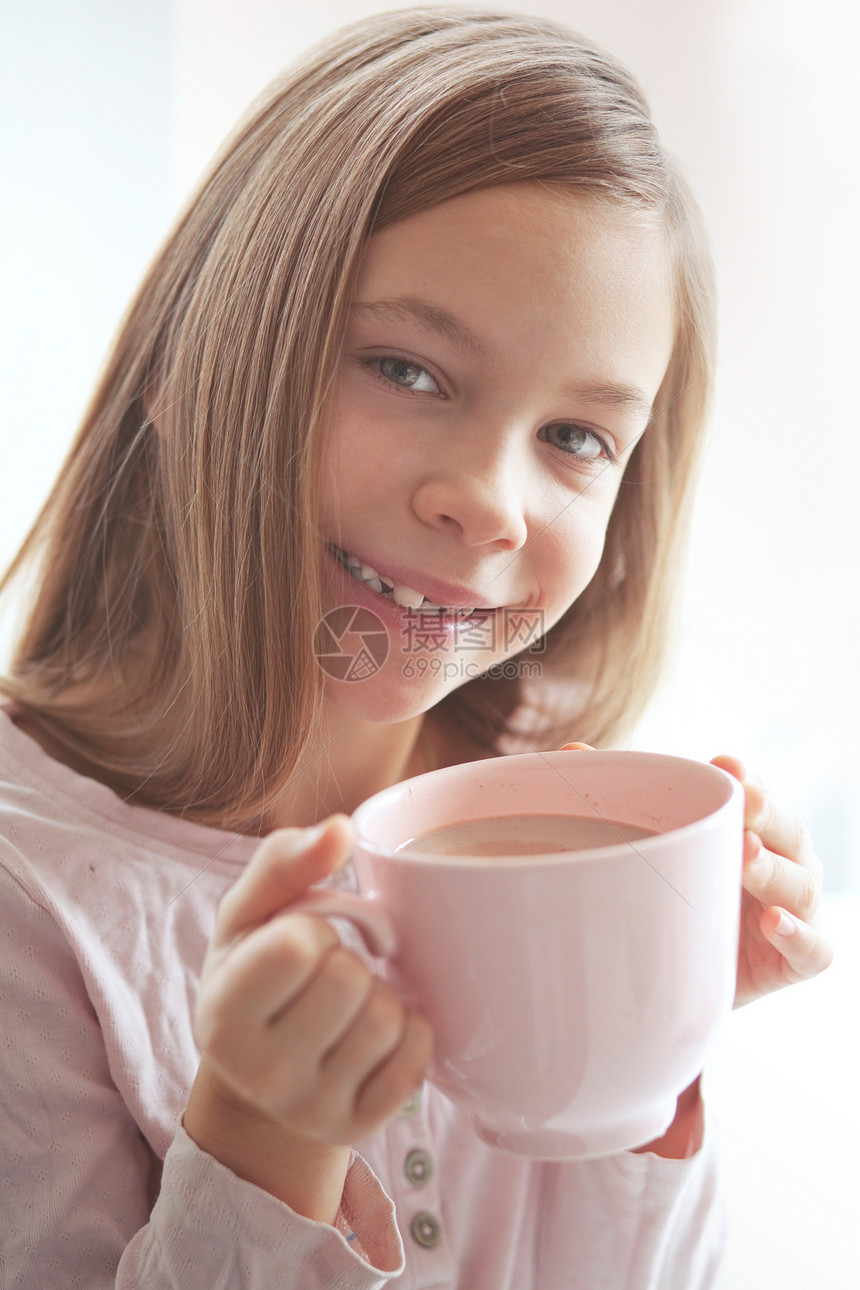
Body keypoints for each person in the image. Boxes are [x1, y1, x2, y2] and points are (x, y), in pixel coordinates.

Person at [0, 7, 832, 1287]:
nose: (490, 504)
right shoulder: (27, 894)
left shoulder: (559, 852)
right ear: (185, 363)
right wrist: (262, 1145)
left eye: (574, 437)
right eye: (408, 368)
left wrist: (641, 1049)